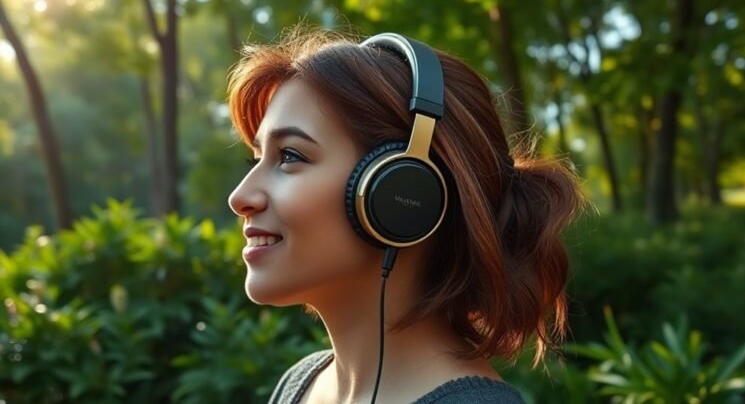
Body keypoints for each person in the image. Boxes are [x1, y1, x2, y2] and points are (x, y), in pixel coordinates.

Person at [227, 27, 584, 404]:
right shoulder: (299, 386)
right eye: (256, 159)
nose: (240, 197)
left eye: (290, 156)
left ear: (402, 192)